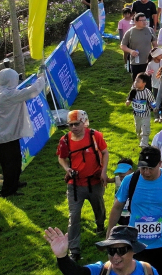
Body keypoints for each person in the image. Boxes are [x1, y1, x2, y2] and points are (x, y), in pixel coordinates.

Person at [107, 146, 162, 275]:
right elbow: (117, 207)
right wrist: (109, 233)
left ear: (160, 164)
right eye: (143, 168)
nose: (146, 172)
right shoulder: (130, 180)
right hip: (136, 244)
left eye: (150, 168)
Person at [57, 110, 110, 260]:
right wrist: (67, 169)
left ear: (84, 122)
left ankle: (100, 225)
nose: (73, 127)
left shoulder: (95, 136)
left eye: (76, 124)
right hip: (75, 185)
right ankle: (74, 250)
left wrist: (104, 172)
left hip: (95, 182)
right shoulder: (65, 140)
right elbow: (61, 158)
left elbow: (105, 152)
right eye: (70, 125)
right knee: (74, 216)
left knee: (99, 207)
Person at [0, 67, 46, 197]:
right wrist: (41, 78)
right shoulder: (7, 95)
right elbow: (31, 91)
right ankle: (7, 191)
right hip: (5, 136)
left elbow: (22, 93)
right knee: (11, 163)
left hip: (2, 135)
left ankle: (14, 183)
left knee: (12, 161)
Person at [46, 224, 160, 275]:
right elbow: (76, 273)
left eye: (121, 251)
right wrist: (62, 256)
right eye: (111, 251)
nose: (115, 256)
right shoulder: (101, 271)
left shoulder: (148, 271)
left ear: (133, 250)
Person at [127, 73, 157, 147]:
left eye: (138, 81)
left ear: (144, 83)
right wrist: (128, 101)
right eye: (135, 80)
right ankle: (141, 141)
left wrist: (154, 108)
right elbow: (129, 98)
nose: (135, 83)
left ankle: (144, 145)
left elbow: (152, 101)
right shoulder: (133, 91)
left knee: (145, 129)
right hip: (136, 115)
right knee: (138, 130)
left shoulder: (147, 92)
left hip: (145, 115)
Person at [122, 14, 157, 78]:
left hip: (148, 61)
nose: (145, 22)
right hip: (135, 62)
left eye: (145, 20)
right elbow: (123, 46)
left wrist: (155, 55)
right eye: (142, 20)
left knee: (148, 81)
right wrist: (131, 51)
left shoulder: (150, 30)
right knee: (137, 81)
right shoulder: (130, 32)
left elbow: (155, 45)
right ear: (136, 21)